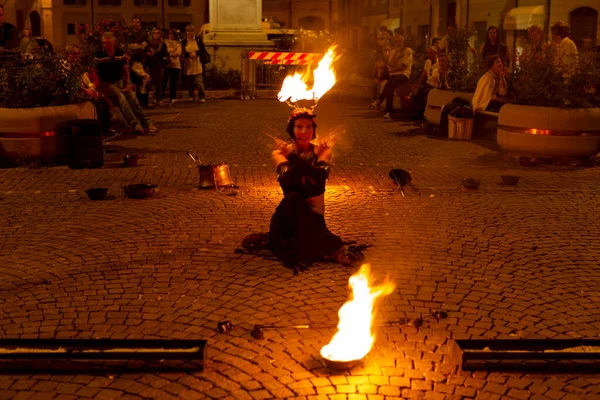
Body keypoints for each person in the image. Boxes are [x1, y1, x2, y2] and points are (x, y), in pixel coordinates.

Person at [269, 109, 352, 266]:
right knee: (293, 198)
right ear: (291, 129)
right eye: (299, 127)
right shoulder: (279, 153)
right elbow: (288, 177)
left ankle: (326, 245)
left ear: (314, 130)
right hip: (288, 220)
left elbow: (320, 176)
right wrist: (291, 156)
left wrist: (293, 157)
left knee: (307, 245)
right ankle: (332, 247)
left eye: (309, 127)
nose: (304, 132)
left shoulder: (323, 151)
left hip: (313, 220)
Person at [94, 32, 158, 135]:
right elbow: (95, 72)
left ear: (113, 42)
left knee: (132, 98)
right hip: (107, 83)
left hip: (119, 81)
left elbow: (125, 69)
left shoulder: (119, 52)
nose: (106, 45)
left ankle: (146, 123)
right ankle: (135, 124)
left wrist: (128, 83)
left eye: (109, 43)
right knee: (121, 98)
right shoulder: (99, 55)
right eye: (104, 43)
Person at [370, 34, 413, 120]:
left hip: (404, 75)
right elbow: (390, 65)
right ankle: (388, 112)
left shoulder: (408, 51)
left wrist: (392, 70)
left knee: (390, 81)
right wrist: (395, 53)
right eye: (397, 42)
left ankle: (380, 101)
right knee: (390, 84)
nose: (398, 43)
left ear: (403, 42)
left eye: (400, 41)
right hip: (393, 77)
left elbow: (402, 67)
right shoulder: (393, 52)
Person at [182, 24, 210, 102]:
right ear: (186, 32)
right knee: (189, 80)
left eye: (192, 31)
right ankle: (191, 95)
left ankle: (201, 96)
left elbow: (202, 50)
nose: (190, 33)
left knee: (199, 81)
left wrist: (196, 53)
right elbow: (183, 51)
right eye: (188, 31)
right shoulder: (184, 41)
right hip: (188, 63)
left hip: (197, 62)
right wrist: (188, 54)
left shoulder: (198, 40)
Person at [411, 46, 439, 119]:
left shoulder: (438, 63)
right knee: (417, 91)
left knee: (425, 92)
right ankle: (417, 112)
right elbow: (423, 75)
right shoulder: (428, 62)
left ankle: (422, 114)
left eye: (431, 53)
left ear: (435, 53)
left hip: (434, 85)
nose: (429, 55)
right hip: (428, 83)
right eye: (427, 53)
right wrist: (418, 85)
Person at [161, 29, 182, 104]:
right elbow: (164, 51)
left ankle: (173, 97)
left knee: (173, 82)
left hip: (175, 64)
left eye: (172, 34)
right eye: (170, 34)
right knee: (164, 81)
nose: (171, 35)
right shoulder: (165, 42)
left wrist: (170, 52)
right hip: (167, 64)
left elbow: (178, 52)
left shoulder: (177, 43)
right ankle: (160, 98)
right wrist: (172, 51)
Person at [148, 28, 168, 105]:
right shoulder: (149, 44)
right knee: (149, 82)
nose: (156, 35)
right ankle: (150, 99)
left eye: (158, 33)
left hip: (159, 64)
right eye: (155, 33)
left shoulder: (162, 44)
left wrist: (163, 62)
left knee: (159, 83)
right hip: (151, 65)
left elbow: (165, 54)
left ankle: (158, 99)